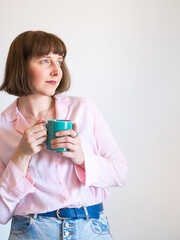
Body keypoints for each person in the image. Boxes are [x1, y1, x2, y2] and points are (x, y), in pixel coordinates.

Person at [0, 30, 128, 240]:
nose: (56, 71)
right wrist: (21, 156)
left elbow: (121, 173)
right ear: (21, 65)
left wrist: (82, 158)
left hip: (91, 228)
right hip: (32, 232)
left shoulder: (85, 109)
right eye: (44, 61)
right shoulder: (2, 128)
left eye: (59, 61)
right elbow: (1, 213)